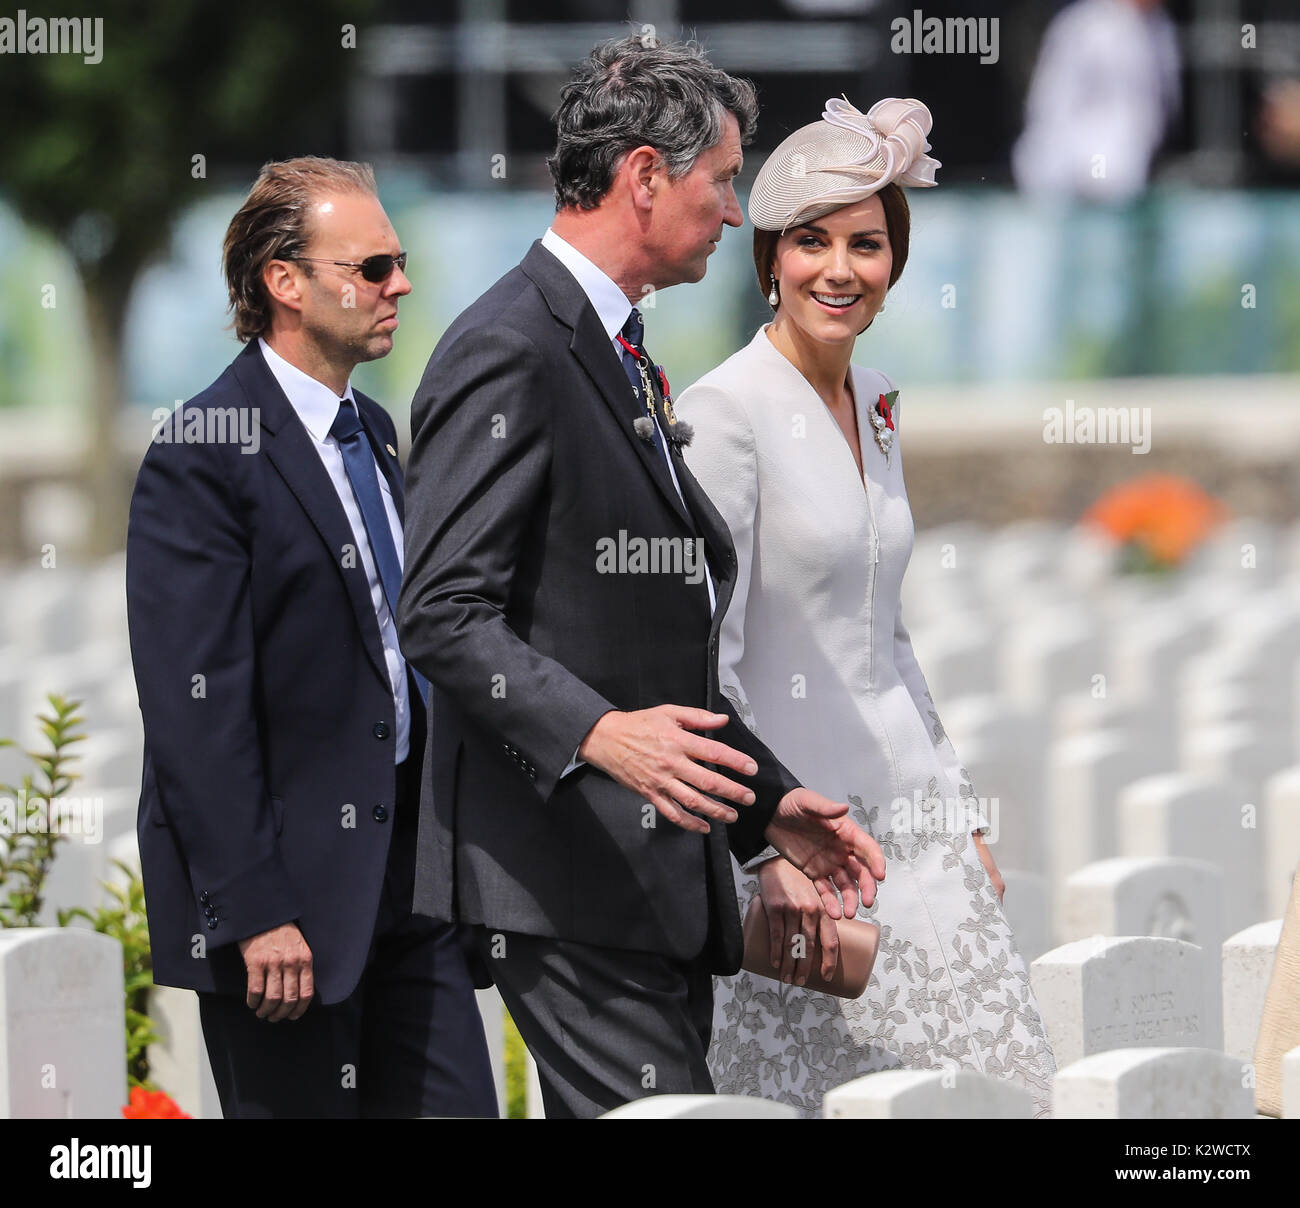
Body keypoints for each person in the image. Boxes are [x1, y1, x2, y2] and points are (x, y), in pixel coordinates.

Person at [396, 38, 886, 1120]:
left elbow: (645, 634)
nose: (732, 210)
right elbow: (438, 610)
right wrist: (598, 735)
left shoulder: (611, 345)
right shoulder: (510, 347)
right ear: (645, 178)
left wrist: (765, 806)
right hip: (564, 872)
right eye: (721, 180)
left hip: (650, 878)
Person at [676, 98, 1057, 1117]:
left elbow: (889, 633)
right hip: (806, 842)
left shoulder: (880, 400)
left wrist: (957, 806)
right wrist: (759, 843)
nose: (838, 268)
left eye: (866, 243)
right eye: (811, 241)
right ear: (767, 257)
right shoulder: (723, 414)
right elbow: (703, 654)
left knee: (1000, 1087)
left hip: (920, 829)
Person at [126, 157, 496, 1118]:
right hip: (287, 912)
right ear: (284, 283)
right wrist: (253, 910)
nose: (399, 285)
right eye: (372, 267)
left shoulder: (373, 429)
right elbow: (192, 705)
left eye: (399, 261)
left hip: (412, 885)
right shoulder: (203, 451)